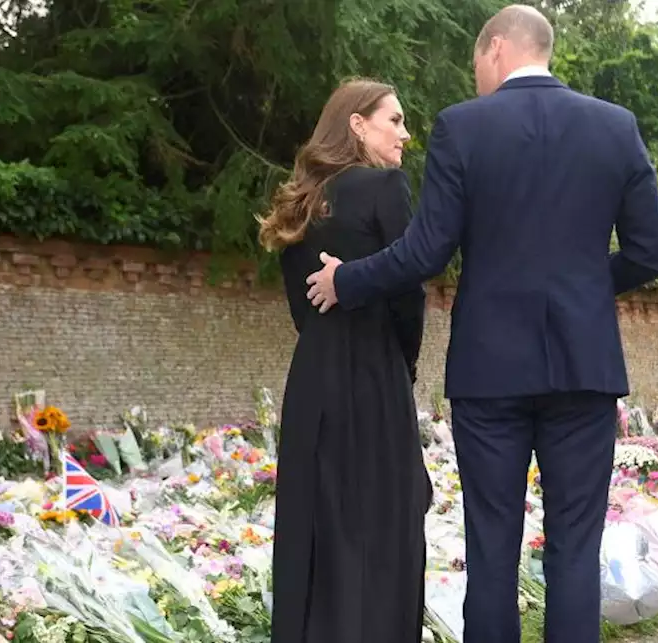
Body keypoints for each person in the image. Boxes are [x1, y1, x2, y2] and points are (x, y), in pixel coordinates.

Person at [304, 6, 658, 643]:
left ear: (497, 48)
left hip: (489, 371)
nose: (475, 74)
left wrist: (346, 280)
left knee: (493, 552)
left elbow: (425, 252)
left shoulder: (464, 127)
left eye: (476, 61)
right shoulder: (615, 128)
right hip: (584, 370)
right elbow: (652, 253)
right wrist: (582, 288)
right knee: (575, 551)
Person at [261, 78, 435, 643]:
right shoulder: (386, 188)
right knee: (383, 529)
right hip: (374, 374)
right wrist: (403, 363)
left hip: (312, 376)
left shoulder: (299, 200)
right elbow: (409, 290)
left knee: (318, 529)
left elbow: (300, 308)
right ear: (357, 124)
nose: (405, 134)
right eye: (395, 120)